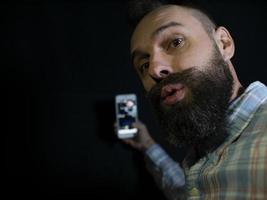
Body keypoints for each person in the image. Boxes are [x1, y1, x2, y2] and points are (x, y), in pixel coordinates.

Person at [121, 0, 267, 199]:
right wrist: (147, 144)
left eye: (176, 42)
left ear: (224, 44)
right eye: (144, 65)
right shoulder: (203, 155)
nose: (155, 70)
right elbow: (184, 191)